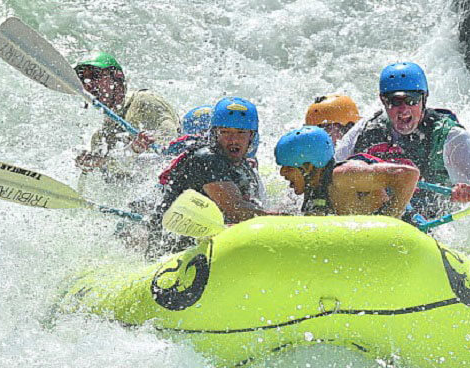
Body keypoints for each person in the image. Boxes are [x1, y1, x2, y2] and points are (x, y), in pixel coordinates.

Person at [334, 62, 470, 219]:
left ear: (424, 98)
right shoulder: (366, 128)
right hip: (378, 213)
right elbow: (334, 166)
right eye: (395, 101)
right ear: (383, 100)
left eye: (412, 100)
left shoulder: (449, 135)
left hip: (428, 222)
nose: (404, 109)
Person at [144, 96, 271, 254]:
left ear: (251, 136)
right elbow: (236, 210)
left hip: (203, 249)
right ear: (215, 134)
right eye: (225, 132)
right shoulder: (205, 159)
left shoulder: (245, 168)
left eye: (241, 132)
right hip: (172, 254)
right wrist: (282, 219)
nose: (233, 139)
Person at [73, 51, 180, 183]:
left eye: (95, 76)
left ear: (116, 77)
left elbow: (172, 149)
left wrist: (138, 149)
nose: (88, 84)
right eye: (82, 79)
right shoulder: (100, 138)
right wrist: (86, 168)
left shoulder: (145, 102)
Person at [276, 126, 419, 217]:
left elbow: (407, 175)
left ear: (309, 166)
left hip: (411, 239)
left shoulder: (344, 176)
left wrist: (387, 221)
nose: (282, 173)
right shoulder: (314, 187)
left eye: (288, 167)